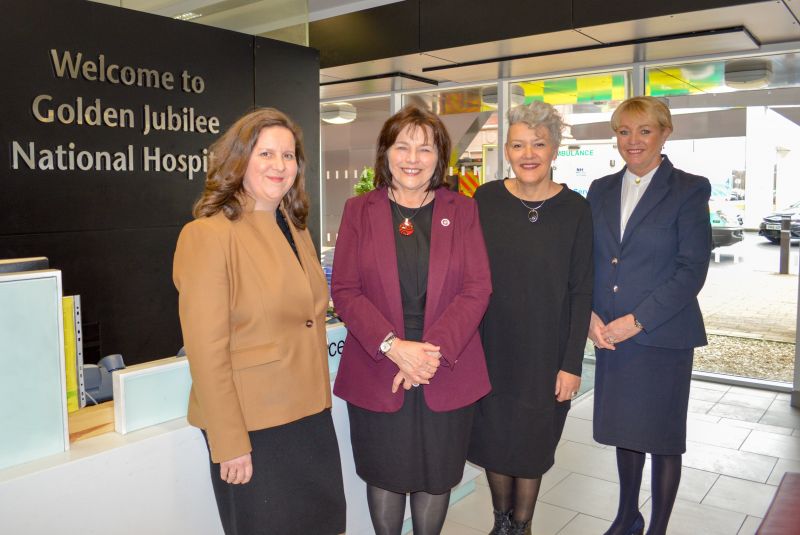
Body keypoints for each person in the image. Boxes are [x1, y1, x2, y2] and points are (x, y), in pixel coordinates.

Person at [173, 108, 346, 535]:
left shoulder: (294, 226)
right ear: (239, 160)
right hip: (254, 427)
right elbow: (206, 351)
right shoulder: (208, 235)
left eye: (288, 156)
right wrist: (229, 441)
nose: (279, 165)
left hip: (309, 417)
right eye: (265, 153)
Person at [331, 105, 492, 535]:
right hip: (377, 361)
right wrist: (394, 348)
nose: (412, 158)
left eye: (425, 148)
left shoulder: (463, 210)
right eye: (402, 146)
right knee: (385, 472)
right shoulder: (358, 210)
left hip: (446, 362)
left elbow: (477, 289)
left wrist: (427, 355)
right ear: (385, 153)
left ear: (440, 157)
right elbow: (344, 290)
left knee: (437, 474)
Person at [467, 101, 594, 535]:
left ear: (555, 149)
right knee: (495, 443)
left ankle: (522, 526)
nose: (528, 153)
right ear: (506, 149)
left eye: (538, 144)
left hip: (546, 354)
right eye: (518, 144)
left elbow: (581, 291)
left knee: (532, 446)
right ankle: (501, 524)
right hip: (489, 349)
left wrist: (572, 363)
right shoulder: (484, 200)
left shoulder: (576, 210)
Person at [587, 96, 712, 535]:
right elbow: (587, 260)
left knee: (660, 437)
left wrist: (637, 320)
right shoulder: (599, 189)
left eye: (644, 130)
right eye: (624, 131)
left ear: (665, 133)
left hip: (662, 337)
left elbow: (691, 269)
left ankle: (657, 526)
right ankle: (627, 516)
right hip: (612, 337)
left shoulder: (689, 188)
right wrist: (589, 315)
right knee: (625, 430)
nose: (633, 141)